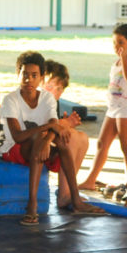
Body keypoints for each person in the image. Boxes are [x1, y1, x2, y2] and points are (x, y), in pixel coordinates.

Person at [0, 51, 105, 225]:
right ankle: (31, 204)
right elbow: (17, 136)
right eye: (24, 75)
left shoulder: (47, 98)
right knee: (39, 135)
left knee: (61, 140)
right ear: (18, 75)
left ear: (41, 78)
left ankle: (75, 199)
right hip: (14, 149)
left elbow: (55, 125)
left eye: (34, 76)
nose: (28, 80)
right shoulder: (11, 100)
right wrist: (46, 130)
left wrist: (48, 139)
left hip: (38, 149)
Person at [79, 24, 127, 199]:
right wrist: (121, 58)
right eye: (115, 43)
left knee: (126, 147)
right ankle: (90, 180)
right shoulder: (116, 62)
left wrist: (124, 58)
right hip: (114, 109)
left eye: (121, 43)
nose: (117, 47)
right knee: (102, 143)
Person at [43, 60, 90, 209]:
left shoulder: (53, 103)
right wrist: (63, 125)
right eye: (49, 87)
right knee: (72, 137)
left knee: (82, 137)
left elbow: (54, 128)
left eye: (59, 89)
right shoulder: (34, 100)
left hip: (48, 145)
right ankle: (64, 195)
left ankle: (67, 190)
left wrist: (65, 124)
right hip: (32, 146)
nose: (54, 92)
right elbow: (44, 129)